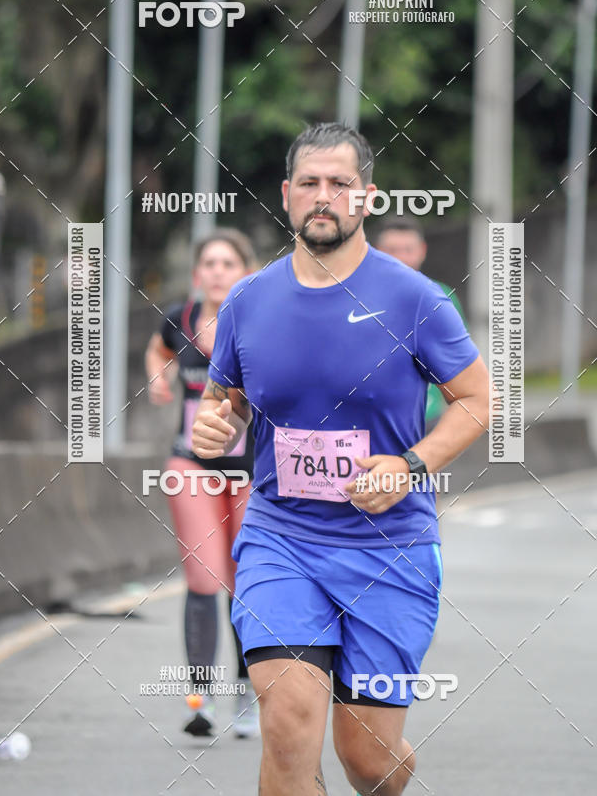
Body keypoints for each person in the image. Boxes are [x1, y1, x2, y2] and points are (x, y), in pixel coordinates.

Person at [191, 123, 490, 795]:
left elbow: (476, 398)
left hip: (389, 548)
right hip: (281, 539)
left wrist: (409, 465)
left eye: (340, 184)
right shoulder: (248, 300)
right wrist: (217, 427)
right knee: (289, 722)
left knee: (368, 761)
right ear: (286, 195)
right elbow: (226, 401)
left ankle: (385, 767)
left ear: (366, 197)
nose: (323, 196)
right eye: (309, 183)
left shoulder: (415, 298)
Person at [145, 228, 259, 739]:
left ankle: (247, 696)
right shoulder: (181, 320)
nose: (216, 272)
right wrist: (157, 377)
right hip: (190, 463)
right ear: (197, 276)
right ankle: (200, 701)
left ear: (246, 272)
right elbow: (157, 348)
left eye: (227, 264)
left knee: (243, 584)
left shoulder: (261, 323)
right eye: (208, 264)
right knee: (202, 581)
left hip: (250, 470)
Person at [374, 216, 466, 424]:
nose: (400, 257)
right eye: (392, 250)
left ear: (422, 250)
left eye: (408, 249)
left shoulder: (443, 297)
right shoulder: (358, 298)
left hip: (427, 418)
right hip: (373, 422)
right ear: (377, 251)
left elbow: (460, 363)